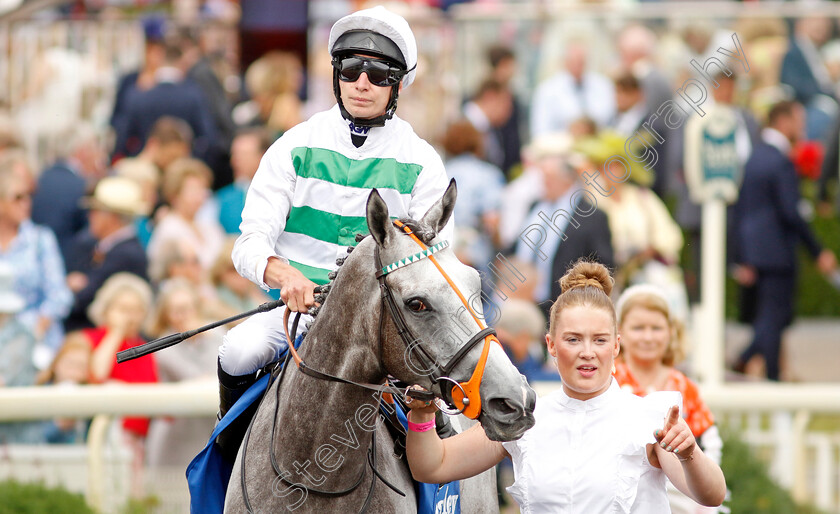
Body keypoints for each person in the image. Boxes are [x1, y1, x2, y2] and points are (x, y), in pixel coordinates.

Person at [215, 5, 452, 459]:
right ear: (336, 75)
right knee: (238, 351)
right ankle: (230, 462)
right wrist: (285, 277)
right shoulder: (292, 146)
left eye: (379, 73)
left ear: (399, 84)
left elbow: (434, 261)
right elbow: (249, 243)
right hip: (297, 315)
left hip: (385, 325)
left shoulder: (423, 162)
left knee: (435, 394)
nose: (362, 82)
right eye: (351, 68)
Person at [405, 260, 726, 512]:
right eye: (573, 339)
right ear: (552, 345)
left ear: (616, 346)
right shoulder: (524, 419)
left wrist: (689, 454)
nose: (587, 352)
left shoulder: (649, 418)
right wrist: (421, 417)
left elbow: (711, 495)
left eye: (599, 340)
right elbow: (433, 466)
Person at [732, 100, 837, 380]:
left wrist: (740, 254)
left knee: (771, 316)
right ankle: (748, 362)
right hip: (776, 251)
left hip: (756, 251)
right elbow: (791, 213)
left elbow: (741, 210)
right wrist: (818, 251)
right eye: (799, 120)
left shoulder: (754, 157)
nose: (803, 127)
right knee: (775, 317)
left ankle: (768, 374)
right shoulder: (779, 161)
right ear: (783, 121)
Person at [614, 284, 723, 514]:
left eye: (656, 328)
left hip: (681, 497)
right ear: (620, 332)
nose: (647, 337)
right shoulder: (608, 380)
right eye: (638, 328)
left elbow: (708, 443)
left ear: (671, 332)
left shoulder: (685, 387)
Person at [0, 157, 73, 367]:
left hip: (36, 345)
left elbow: (58, 296)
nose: (26, 203)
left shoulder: (40, 239)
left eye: (29, 196)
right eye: (18, 197)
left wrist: (33, 334)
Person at [64, 176, 150, 332]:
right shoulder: (113, 247)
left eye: (95, 211)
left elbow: (83, 299)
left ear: (112, 217)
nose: (89, 216)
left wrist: (75, 286)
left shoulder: (124, 254)